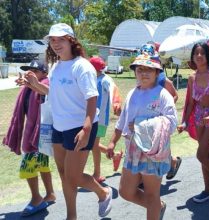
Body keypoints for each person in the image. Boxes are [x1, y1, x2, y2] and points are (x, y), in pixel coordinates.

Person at [41, 23, 112, 219]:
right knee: (65, 176)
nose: (56, 44)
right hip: (59, 126)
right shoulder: (55, 66)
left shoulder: (82, 66)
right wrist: (34, 85)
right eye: (53, 40)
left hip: (80, 126)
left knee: (73, 176)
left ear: (71, 41)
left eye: (61, 39)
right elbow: (53, 94)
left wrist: (87, 127)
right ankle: (71, 216)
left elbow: (92, 97)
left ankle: (103, 192)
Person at [106, 53, 177, 220]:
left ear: (157, 72)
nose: (144, 73)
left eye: (149, 70)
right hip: (132, 147)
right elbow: (123, 121)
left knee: (152, 194)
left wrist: (141, 124)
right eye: (140, 69)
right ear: (135, 72)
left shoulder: (162, 94)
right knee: (125, 191)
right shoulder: (132, 94)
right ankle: (157, 206)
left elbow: (171, 122)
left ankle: (154, 206)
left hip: (153, 151)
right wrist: (112, 142)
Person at [3, 60, 56, 216]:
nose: (30, 73)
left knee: (27, 168)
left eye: (35, 71)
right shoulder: (29, 87)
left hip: (40, 134)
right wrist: (28, 84)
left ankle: (36, 198)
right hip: (34, 132)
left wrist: (32, 84)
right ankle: (50, 193)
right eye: (28, 70)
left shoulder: (46, 84)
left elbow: (45, 92)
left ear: (44, 73)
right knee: (42, 165)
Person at [177, 43, 209, 203]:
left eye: (202, 53)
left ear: (207, 56)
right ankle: (207, 190)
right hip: (198, 118)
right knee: (205, 154)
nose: (198, 56)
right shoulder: (191, 77)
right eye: (196, 53)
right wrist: (184, 122)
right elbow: (190, 103)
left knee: (201, 153)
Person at [139, 43, 182, 180]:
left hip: (159, 122)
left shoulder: (161, 78)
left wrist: (164, 112)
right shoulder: (141, 76)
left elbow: (174, 95)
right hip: (145, 121)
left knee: (157, 147)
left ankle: (171, 163)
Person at [89, 56, 123, 184]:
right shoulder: (92, 79)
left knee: (93, 145)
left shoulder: (104, 79)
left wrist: (116, 102)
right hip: (90, 117)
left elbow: (113, 89)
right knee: (92, 144)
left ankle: (97, 174)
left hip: (99, 119)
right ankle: (114, 156)